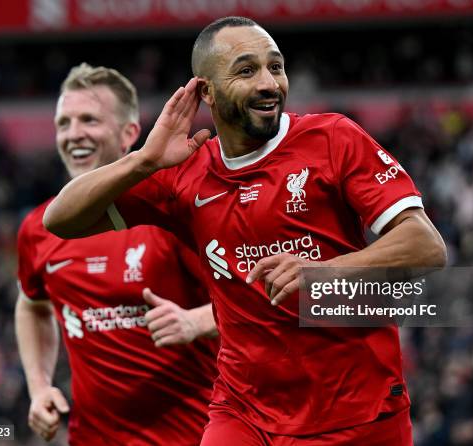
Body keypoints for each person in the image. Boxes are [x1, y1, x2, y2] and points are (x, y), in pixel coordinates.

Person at [43, 17, 447, 445]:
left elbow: (426, 246)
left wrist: (326, 272)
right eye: (246, 70)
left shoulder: (333, 138)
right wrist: (143, 159)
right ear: (207, 92)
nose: (269, 83)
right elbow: (61, 219)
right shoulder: (184, 173)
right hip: (244, 413)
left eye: (276, 66)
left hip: (359, 412)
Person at [15, 63, 218, 445]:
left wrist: (196, 322)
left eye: (89, 120)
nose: (74, 134)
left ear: (129, 134)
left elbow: (255, 299)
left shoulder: (169, 213)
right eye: (64, 123)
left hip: (193, 436)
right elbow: (31, 304)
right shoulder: (39, 228)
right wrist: (39, 387)